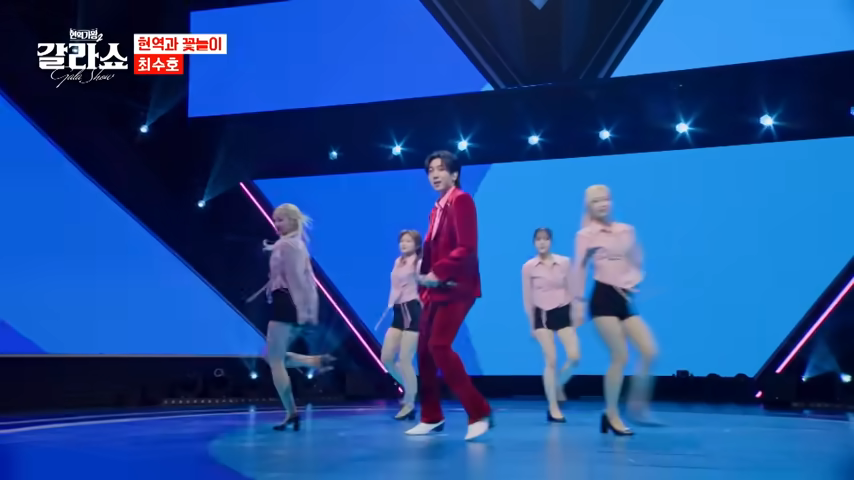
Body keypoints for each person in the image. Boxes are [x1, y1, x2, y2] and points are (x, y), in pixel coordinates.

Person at [405, 150, 493, 441]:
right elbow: (434, 250)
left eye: (441, 169)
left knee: (439, 346)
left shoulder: (461, 201)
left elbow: (467, 248)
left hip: (457, 287)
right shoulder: (437, 209)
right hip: (435, 290)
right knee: (424, 353)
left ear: (454, 174)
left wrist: (439, 272)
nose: (435, 174)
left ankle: (479, 411)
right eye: (431, 170)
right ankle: (431, 416)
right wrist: (422, 278)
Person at [572, 185, 659, 436]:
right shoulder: (585, 235)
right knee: (620, 356)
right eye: (596, 201)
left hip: (624, 298)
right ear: (589, 206)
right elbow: (578, 269)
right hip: (603, 298)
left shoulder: (626, 230)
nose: (602, 204)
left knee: (649, 351)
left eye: (605, 199)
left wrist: (634, 281)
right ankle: (611, 414)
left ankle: (637, 406)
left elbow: (636, 259)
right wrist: (577, 303)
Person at [258, 203, 334, 432]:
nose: (276, 223)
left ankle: (291, 412)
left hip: (287, 302)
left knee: (275, 360)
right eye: (275, 219)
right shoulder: (290, 244)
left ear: (292, 220)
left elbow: (298, 281)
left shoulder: (290, 245)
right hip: (286, 301)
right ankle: (314, 362)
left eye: (280, 219)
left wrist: (304, 313)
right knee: (271, 356)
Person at [522, 228, 580, 423]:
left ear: (551, 242)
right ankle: (553, 408)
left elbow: (572, 290)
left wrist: (575, 315)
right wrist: (531, 325)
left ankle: (557, 384)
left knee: (574, 356)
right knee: (551, 360)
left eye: (545, 239)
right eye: (538, 239)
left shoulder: (564, 262)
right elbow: (528, 298)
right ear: (534, 243)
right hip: (542, 315)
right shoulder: (529, 267)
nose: (542, 243)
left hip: (563, 311)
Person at [376, 230, 423, 421]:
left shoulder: (419, 263)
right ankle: (410, 389)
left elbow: (425, 285)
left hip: (412, 310)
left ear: (417, 245)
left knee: (405, 359)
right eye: (402, 241)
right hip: (397, 311)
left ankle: (409, 402)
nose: (403, 244)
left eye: (408, 241)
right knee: (386, 357)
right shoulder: (398, 262)